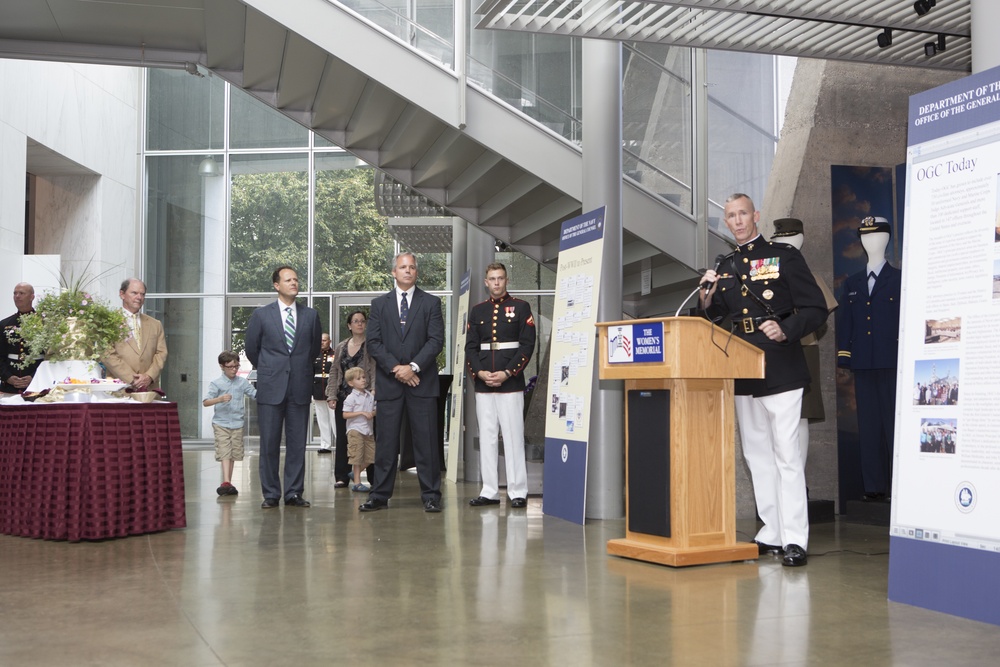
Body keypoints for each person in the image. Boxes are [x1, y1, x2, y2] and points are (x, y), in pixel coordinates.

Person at [699, 193, 828, 567]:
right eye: (731, 216)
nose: (738, 221)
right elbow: (715, 316)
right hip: (742, 365)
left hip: (780, 364)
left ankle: (795, 538)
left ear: (756, 215)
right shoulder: (725, 266)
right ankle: (772, 531)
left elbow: (816, 308)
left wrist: (786, 328)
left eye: (743, 213)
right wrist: (707, 297)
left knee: (787, 454)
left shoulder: (783, 256)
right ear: (726, 222)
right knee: (755, 455)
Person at [359, 252, 445, 513]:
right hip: (390, 383)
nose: (408, 271)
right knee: (386, 443)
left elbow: (436, 341)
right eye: (403, 267)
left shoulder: (431, 303)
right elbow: (374, 342)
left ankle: (431, 495)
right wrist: (398, 369)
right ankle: (379, 495)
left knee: (426, 442)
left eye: (412, 267)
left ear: (417, 272)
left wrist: (413, 367)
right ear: (393, 272)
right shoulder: (379, 304)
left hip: (422, 383)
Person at [245, 266, 322, 509]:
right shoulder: (261, 315)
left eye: (296, 279)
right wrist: (271, 369)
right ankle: (270, 494)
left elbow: (313, 350)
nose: (294, 283)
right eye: (288, 280)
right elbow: (252, 349)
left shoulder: (310, 315)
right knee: (269, 443)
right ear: (276, 285)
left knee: (297, 444)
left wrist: (297, 368)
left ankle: (293, 493)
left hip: (299, 386)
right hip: (271, 387)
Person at [836, 216, 901, 502]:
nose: (869, 241)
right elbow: (846, 322)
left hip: (892, 361)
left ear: (886, 239)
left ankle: (900, 485)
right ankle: (873, 486)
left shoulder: (899, 279)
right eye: (864, 236)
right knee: (869, 426)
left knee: (894, 426)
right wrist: (845, 355)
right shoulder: (853, 283)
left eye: (875, 235)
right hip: (863, 363)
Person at [465, 262, 536, 509]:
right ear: (486, 283)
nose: (496, 283)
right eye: (492, 279)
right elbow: (470, 348)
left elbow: (527, 346)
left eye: (500, 278)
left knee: (513, 436)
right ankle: (489, 491)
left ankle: (518, 491)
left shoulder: (521, 307)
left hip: (510, 382)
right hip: (484, 383)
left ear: (506, 280)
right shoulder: (477, 311)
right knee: (487, 437)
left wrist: (507, 372)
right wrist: (479, 373)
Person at [770, 218, 838, 468]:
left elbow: (820, 316)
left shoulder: (810, 278)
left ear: (800, 240)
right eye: (782, 240)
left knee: (801, 416)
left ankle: (798, 480)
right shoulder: (766, 279)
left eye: (790, 239)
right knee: (773, 417)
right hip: (772, 350)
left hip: (804, 349)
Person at [326, 310, 377, 488]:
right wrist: (332, 395)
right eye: (355, 321)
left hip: (365, 398)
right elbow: (334, 371)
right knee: (343, 437)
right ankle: (342, 476)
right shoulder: (341, 346)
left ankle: (373, 478)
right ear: (349, 325)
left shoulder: (371, 345)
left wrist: (374, 389)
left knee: (368, 435)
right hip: (344, 397)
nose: (359, 324)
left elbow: (374, 369)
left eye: (362, 321)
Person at [203, 351, 257, 496]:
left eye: (236, 366)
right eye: (230, 367)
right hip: (221, 423)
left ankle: (228, 482)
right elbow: (206, 402)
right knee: (224, 451)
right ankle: (226, 481)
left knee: (234, 453)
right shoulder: (216, 383)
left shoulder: (242, 382)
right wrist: (219, 399)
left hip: (237, 423)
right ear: (222, 366)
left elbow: (255, 394)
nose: (234, 369)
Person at [101, 278, 168, 391]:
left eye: (142, 294)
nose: (139, 297)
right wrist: (132, 379)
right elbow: (107, 354)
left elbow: (161, 354)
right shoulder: (108, 323)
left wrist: (149, 376)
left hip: (149, 391)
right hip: (120, 390)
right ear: (122, 294)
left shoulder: (155, 324)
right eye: (134, 293)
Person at [0, 282, 42, 395]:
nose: (17, 296)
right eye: (15, 293)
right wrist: (7, 377)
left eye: (22, 293)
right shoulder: (5, 324)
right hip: (10, 385)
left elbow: (50, 357)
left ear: (32, 297)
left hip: (37, 385)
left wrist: (34, 376)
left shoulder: (44, 323)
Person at [341, 367, 376, 492]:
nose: (363, 380)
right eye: (358, 378)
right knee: (357, 456)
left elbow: (374, 409)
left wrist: (372, 413)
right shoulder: (351, 398)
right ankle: (357, 482)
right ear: (351, 383)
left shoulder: (369, 395)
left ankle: (355, 473)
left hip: (368, 430)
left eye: (364, 377)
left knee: (372, 455)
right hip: (355, 430)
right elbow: (345, 414)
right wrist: (361, 413)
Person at [313, 333, 336, 454]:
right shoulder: (315, 355)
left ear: (329, 341)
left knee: (334, 418)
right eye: (320, 340)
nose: (322, 342)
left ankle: (339, 443)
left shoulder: (334, 354)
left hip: (331, 389)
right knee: (322, 419)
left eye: (324, 340)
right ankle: (325, 445)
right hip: (318, 388)